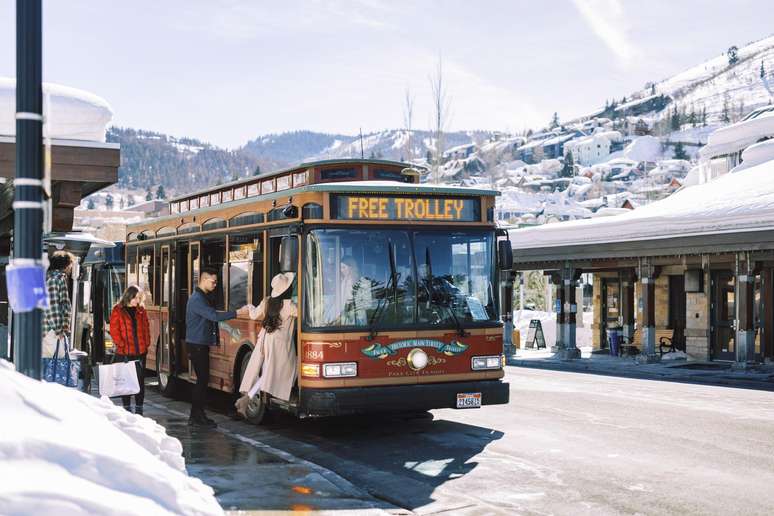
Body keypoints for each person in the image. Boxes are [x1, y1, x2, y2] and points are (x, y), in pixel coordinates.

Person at [186, 267, 250, 427]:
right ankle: (196, 417)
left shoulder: (201, 297)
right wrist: (237, 312)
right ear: (204, 280)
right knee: (202, 381)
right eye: (213, 282)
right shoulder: (197, 299)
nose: (215, 285)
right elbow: (213, 315)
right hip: (197, 345)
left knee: (202, 381)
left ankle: (197, 416)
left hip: (199, 344)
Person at [237, 272, 298, 414]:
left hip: (265, 339)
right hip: (280, 344)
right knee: (286, 369)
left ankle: (246, 398)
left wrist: (250, 306)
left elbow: (253, 315)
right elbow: (306, 314)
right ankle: (248, 398)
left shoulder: (267, 301)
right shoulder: (289, 305)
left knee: (264, 372)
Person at [109, 286, 150, 415]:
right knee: (126, 382)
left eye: (139, 298)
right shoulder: (118, 310)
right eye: (135, 297)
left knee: (139, 382)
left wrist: (146, 343)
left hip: (140, 352)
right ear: (129, 296)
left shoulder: (141, 310)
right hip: (124, 353)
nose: (137, 301)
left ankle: (139, 409)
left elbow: (146, 328)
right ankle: (126, 408)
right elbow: (114, 330)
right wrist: (121, 345)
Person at [43, 251, 74, 339]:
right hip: (51, 333)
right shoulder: (56, 279)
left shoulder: (50, 277)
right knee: (59, 353)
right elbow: (52, 307)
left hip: (50, 332)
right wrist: (58, 330)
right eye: (70, 264)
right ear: (66, 265)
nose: (71, 268)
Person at [338, 257, 371, 325]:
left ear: (351, 267)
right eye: (340, 268)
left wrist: (353, 304)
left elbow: (368, 304)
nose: (341, 270)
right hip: (345, 319)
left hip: (358, 319)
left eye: (344, 267)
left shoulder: (363, 282)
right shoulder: (342, 282)